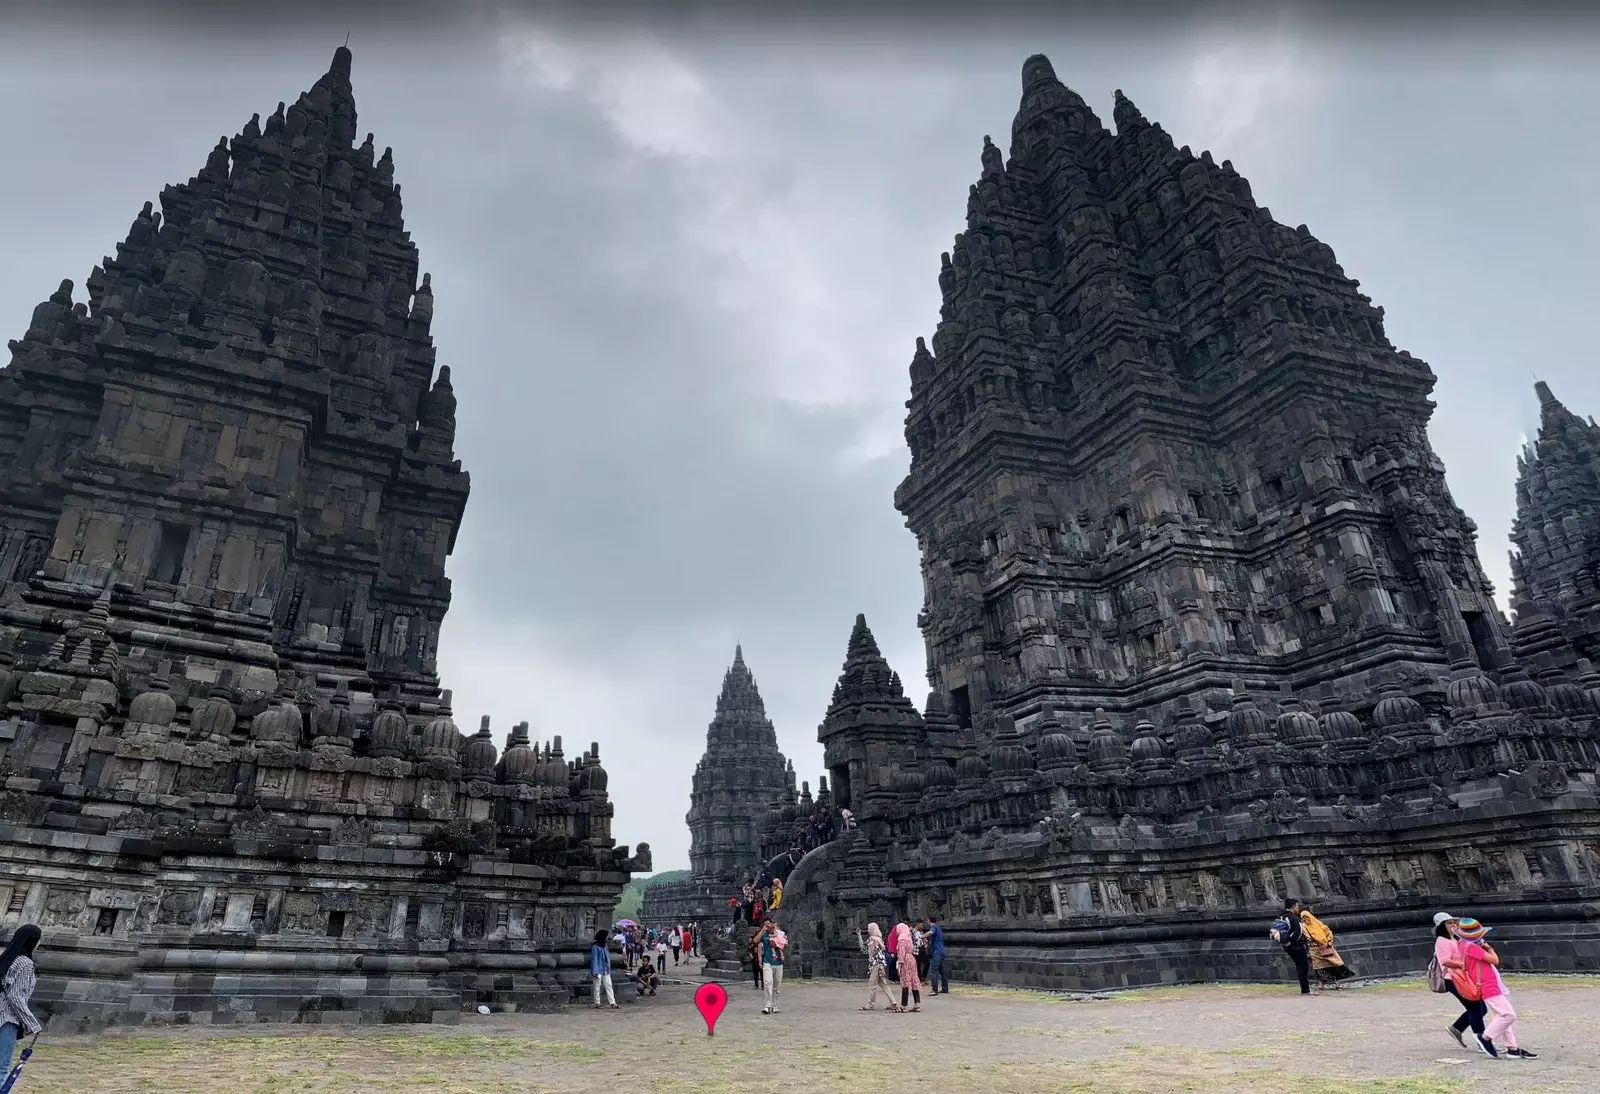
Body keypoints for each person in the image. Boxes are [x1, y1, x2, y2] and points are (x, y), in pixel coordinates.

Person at [1453, 918, 1538, 1059]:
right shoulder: (1472, 947)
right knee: (1508, 1015)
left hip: (1486, 983)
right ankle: (1486, 1037)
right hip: (1488, 984)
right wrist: (1489, 948)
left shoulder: (1462, 945)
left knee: (1501, 1015)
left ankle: (1512, 1048)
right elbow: (1495, 960)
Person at [1432, 912, 1494, 1057]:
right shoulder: (1442, 940)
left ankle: (1457, 1028)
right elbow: (1445, 961)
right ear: (1442, 926)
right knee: (1476, 1008)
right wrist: (1463, 964)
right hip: (1452, 978)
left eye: (1454, 922)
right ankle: (1481, 1040)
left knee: (1480, 1008)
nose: (1453, 926)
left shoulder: (1456, 939)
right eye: (1449, 923)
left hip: (1463, 977)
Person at [0, 924, 42, 1073]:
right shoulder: (25, 964)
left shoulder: (6, 959)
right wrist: (32, 1024)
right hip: (6, 1018)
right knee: (2, 1066)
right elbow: (16, 996)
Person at [1297, 905, 1353, 990]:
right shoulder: (1303, 927)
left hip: (1326, 948)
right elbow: (1304, 937)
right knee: (1318, 969)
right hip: (1314, 950)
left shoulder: (1319, 924)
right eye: (1303, 918)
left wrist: (1328, 942)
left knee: (1335, 964)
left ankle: (1338, 983)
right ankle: (1321, 984)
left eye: (1307, 917)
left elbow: (1328, 932)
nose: (1305, 920)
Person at [1270, 898, 1311, 995]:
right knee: (1303, 966)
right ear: (1293, 907)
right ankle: (1305, 989)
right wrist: (1291, 941)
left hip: (1287, 946)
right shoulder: (1293, 918)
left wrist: (1286, 943)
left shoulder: (1281, 916)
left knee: (1299, 965)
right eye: (1297, 906)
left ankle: (1305, 988)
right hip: (1296, 946)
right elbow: (1297, 931)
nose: (1298, 908)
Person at [857, 923, 897, 1010]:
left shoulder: (872, 939)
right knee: (884, 985)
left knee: (872, 985)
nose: (868, 931)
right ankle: (893, 1002)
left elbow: (864, 949)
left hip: (875, 965)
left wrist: (859, 936)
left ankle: (870, 1004)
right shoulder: (879, 939)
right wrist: (859, 936)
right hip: (881, 965)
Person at [893, 918, 922, 1012]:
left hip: (905, 960)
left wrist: (900, 963)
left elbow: (901, 953)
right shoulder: (909, 938)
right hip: (912, 959)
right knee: (914, 981)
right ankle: (917, 1004)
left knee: (905, 982)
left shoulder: (902, 939)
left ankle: (903, 1005)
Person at [759, 918, 786, 1015]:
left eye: (768, 924)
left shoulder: (779, 933)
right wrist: (763, 930)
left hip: (778, 963)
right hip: (767, 962)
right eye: (765, 924)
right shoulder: (765, 934)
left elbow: (785, 944)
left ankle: (775, 1005)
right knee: (767, 983)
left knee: (776, 985)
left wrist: (782, 940)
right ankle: (767, 1006)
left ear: (772, 924)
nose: (767, 926)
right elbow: (755, 941)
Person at [590, 929, 618, 1009]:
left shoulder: (604, 945)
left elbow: (607, 957)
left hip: (605, 968)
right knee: (597, 986)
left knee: (608, 985)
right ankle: (597, 1002)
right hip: (598, 968)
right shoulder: (595, 946)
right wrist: (595, 970)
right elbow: (594, 959)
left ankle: (612, 1002)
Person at [926, 915, 949, 995]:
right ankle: (945, 988)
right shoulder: (938, 927)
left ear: (929, 920)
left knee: (934, 970)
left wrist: (922, 936)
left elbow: (930, 932)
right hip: (941, 951)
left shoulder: (934, 927)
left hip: (937, 951)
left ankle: (934, 989)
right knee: (943, 971)